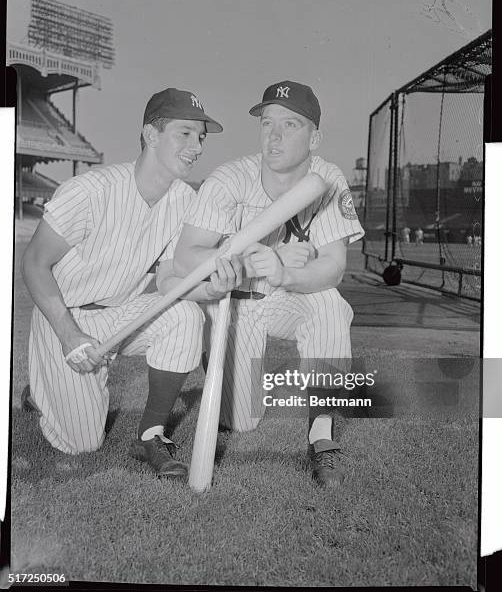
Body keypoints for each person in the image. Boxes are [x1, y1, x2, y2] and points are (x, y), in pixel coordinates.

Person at [21, 87, 237, 478]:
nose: (197, 146)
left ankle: (150, 435)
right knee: (82, 443)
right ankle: (41, 392)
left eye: (201, 137)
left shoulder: (185, 200)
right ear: (151, 135)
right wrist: (69, 335)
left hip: (122, 317)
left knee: (186, 316)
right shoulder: (90, 191)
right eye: (185, 133)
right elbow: (35, 263)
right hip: (66, 319)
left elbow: (171, 277)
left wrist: (211, 289)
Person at [172, 80, 364, 488]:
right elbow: (186, 255)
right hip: (234, 304)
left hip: (286, 297)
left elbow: (333, 267)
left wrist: (288, 273)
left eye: (289, 125)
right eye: (267, 123)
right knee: (239, 421)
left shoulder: (327, 177)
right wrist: (251, 262)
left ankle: (322, 437)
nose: (273, 136)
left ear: (315, 137)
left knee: (330, 304)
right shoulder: (229, 179)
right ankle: (224, 376)